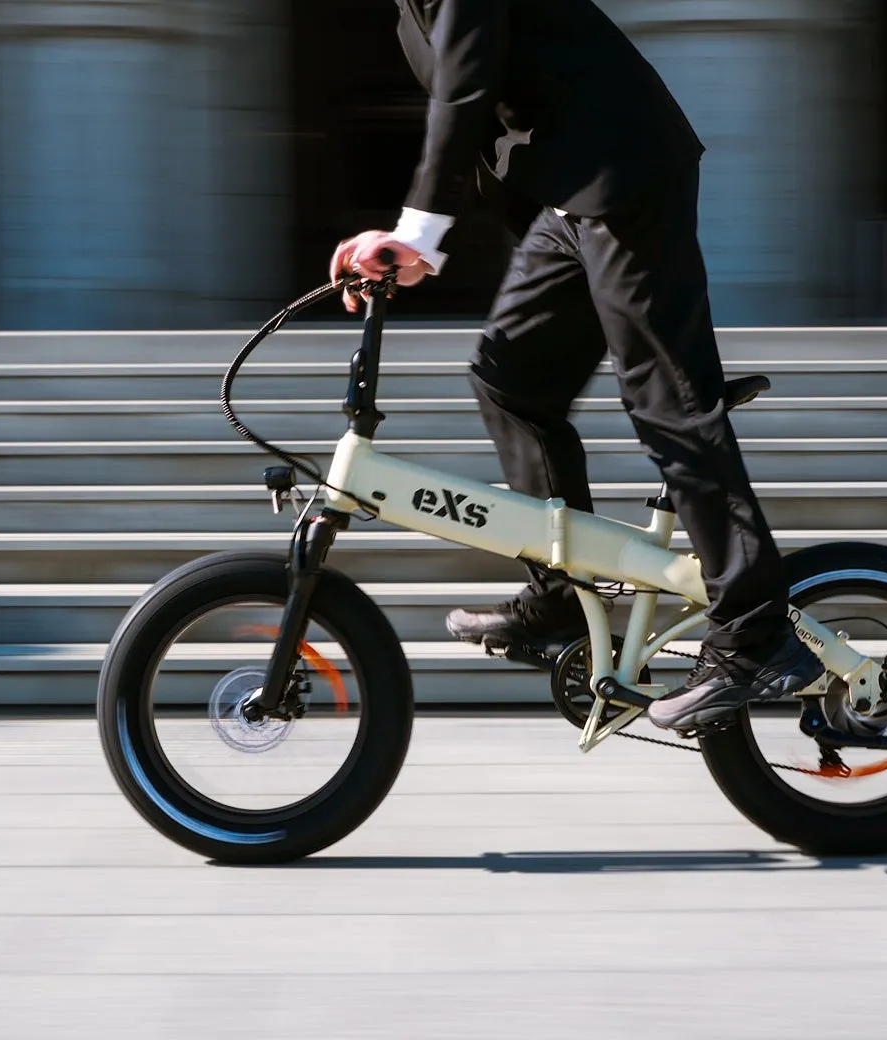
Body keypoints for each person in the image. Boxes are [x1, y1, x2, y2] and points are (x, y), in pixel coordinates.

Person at [328, 0, 823, 732]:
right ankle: (561, 601)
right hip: (567, 200)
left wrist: (417, 236)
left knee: (667, 402)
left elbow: (466, 82)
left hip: (622, 172)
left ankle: (758, 634)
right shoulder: (401, 11)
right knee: (509, 378)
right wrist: (412, 245)